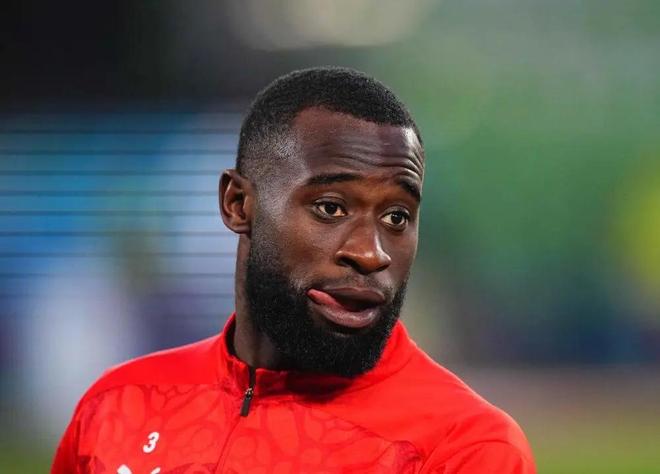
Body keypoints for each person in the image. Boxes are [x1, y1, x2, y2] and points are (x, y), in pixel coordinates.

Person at [52, 67, 536, 473]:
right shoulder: (116, 406)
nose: (371, 254)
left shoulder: (464, 450)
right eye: (330, 208)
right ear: (238, 204)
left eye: (396, 217)